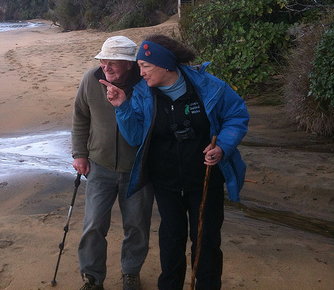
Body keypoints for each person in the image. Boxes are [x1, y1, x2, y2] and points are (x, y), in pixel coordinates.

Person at [100, 34, 249, 290]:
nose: (141, 72)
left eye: (145, 66)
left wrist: (223, 146)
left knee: (206, 241)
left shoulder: (209, 87)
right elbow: (136, 137)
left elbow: (237, 115)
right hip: (166, 183)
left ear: (165, 64)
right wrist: (122, 107)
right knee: (171, 242)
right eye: (139, 66)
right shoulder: (142, 94)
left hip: (205, 181)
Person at [72, 36, 155, 290]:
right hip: (99, 166)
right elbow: (80, 117)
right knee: (94, 226)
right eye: (103, 61)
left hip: (138, 170)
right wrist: (79, 154)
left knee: (137, 226)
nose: (106, 67)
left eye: (113, 63)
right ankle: (92, 278)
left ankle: (131, 273)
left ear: (130, 64)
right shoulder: (90, 80)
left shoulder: (147, 84)